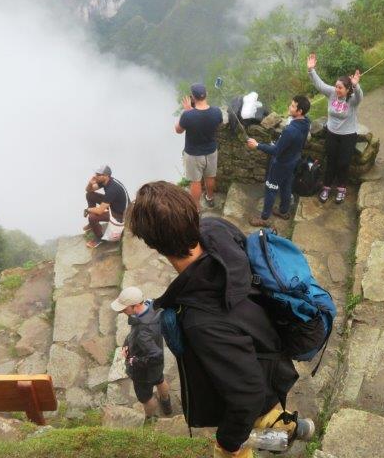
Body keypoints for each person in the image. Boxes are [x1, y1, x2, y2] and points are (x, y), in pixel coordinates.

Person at [128, 181, 313, 458]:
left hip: (254, 378)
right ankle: (295, 428)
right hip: (266, 347)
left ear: (154, 245)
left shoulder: (201, 321)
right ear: (192, 214)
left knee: (248, 427)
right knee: (269, 412)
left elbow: (247, 395)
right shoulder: (217, 229)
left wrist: (227, 443)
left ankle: (285, 430)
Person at [247, 95, 311, 227]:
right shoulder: (306, 122)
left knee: (271, 188)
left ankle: (264, 218)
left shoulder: (290, 131)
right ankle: (283, 211)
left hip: (281, 163)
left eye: (292, 106)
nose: (289, 107)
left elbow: (276, 151)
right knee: (286, 185)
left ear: (300, 111)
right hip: (294, 160)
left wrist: (257, 145)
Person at [111, 286, 173, 423]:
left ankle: (150, 419)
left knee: (146, 398)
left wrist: (133, 361)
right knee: (160, 380)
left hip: (143, 373)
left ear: (135, 305)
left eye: (124, 308)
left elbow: (155, 356)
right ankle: (166, 403)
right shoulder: (151, 306)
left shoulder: (143, 331)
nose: (122, 311)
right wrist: (128, 343)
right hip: (156, 367)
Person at [307, 53, 363, 204]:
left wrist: (356, 85)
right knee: (330, 161)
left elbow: (360, 96)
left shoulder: (352, 100)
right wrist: (311, 70)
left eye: (340, 88)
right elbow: (319, 84)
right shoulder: (332, 93)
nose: (336, 89)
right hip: (332, 133)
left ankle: (341, 188)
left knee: (343, 163)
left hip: (348, 135)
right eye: (336, 86)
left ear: (347, 89)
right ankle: (326, 187)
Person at [175, 83, 223, 210]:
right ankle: (210, 198)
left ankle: (196, 208)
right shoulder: (216, 112)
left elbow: (178, 130)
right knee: (210, 177)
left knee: (195, 181)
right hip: (211, 151)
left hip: (193, 154)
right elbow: (218, 124)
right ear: (206, 94)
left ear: (192, 97)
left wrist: (187, 111)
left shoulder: (188, 115)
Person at [83, 165, 129, 248]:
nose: (95, 176)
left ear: (106, 176)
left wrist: (88, 210)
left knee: (92, 217)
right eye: (96, 173)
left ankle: (99, 239)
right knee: (89, 195)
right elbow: (89, 190)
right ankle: (93, 224)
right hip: (114, 204)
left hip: (120, 214)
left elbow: (100, 211)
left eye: (98, 175)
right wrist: (90, 183)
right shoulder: (106, 181)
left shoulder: (112, 189)